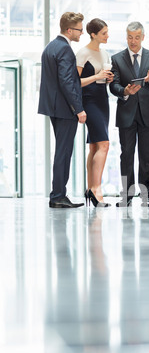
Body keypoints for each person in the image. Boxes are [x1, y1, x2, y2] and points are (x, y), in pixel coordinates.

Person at [110, 21, 149, 208]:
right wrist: (124, 91)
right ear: (126, 37)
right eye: (130, 37)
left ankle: (145, 194)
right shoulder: (117, 59)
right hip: (126, 112)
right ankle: (126, 195)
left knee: (147, 155)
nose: (133, 41)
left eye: (136, 37)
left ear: (143, 37)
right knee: (126, 155)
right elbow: (113, 85)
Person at [38, 12, 87, 209]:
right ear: (69, 30)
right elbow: (67, 83)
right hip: (65, 109)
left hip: (53, 107)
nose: (81, 33)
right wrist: (79, 109)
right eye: (79, 30)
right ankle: (58, 195)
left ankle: (57, 193)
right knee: (64, 152)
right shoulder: (65, 50)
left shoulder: (50, 47)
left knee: (61, 151)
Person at [76, 18, 114, 208]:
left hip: (102, 98)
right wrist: (97, 76)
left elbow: (102, 79)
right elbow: (75, 83)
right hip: (88, 99)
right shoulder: (83, 53)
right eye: (104, 33)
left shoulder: (105, 53)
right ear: (94, 34)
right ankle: (96, 189)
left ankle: (91, 187)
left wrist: (106, 79)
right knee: (104, 144)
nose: (107, 36)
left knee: (94, 146)